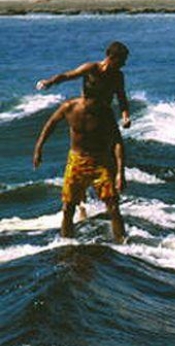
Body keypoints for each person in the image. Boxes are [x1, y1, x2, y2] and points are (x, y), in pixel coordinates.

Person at [33, 97, 126, 243]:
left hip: (100, 161)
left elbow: (117, 141)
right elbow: (51, 123)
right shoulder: (69, 107)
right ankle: (66, 244)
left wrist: (120, 173)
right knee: (68, 208)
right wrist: (39, 148)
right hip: (77, 161)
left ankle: (123, 245)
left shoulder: (104, 111)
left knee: (113, 206)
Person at [36, 41, 132, 129]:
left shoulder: (118, 76)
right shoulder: (91, 68)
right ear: (111, 57)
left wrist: (125, 117)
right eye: (121, 60)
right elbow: (67, 76)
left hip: (104, 115)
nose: (124, 64)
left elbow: (122, 99)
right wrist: (50, 82)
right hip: (86, 112)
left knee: (119, 147)